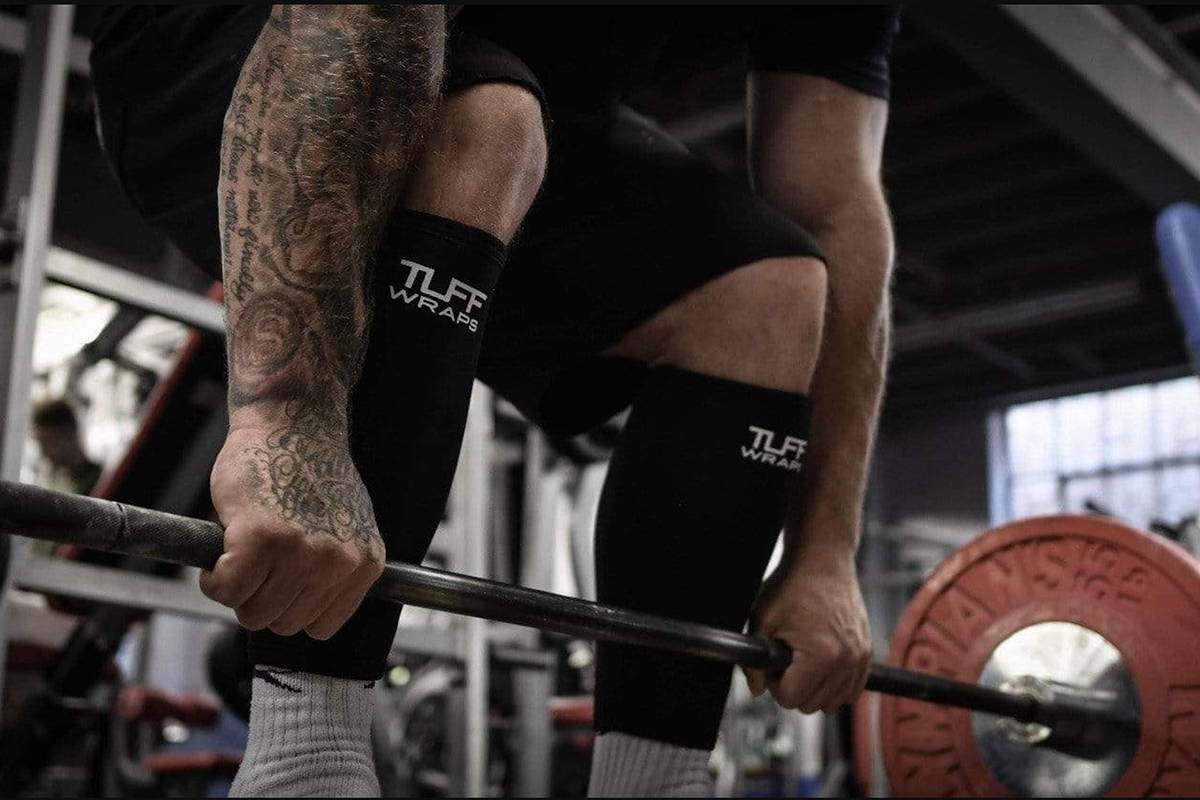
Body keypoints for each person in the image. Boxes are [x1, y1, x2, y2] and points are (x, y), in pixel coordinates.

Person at [88, 5, 899, 796]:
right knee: (485, 119)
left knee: (773, 289)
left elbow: (834, 205)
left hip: (516, 110)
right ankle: (304, 760)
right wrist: (288, 419)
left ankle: (658, 780)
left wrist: (826, 552)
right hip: (251, 47)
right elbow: (357, 20)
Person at [31, 398, 102, 495]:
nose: (44, 452)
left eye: (49, 441)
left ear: (68, 433)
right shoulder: (50, 482)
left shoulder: (101, 482)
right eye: (41, 444)